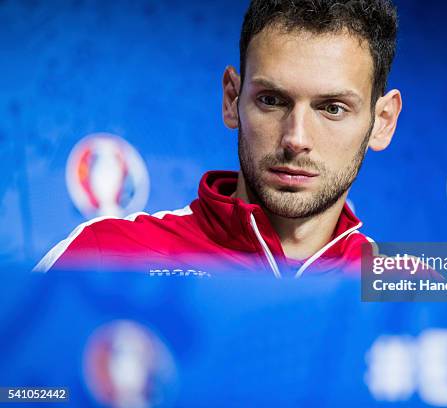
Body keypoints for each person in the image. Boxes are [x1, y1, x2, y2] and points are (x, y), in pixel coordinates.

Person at [34, 0, 403, 277]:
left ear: (382, 121)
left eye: (332, 108)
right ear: (232, 100)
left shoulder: (418, 297)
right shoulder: (105, 255)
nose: (296, 138)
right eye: (272, 101)